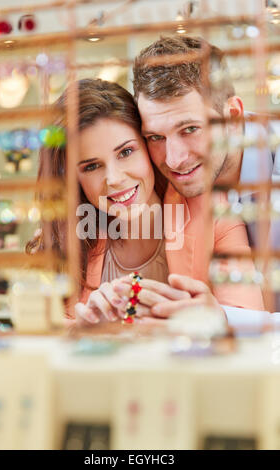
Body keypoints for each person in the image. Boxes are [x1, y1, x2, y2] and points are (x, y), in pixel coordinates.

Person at [27, 78, 262, 325]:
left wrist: (209, 322)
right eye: (92, 166)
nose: (115, 179)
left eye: (126, 152)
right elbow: (40, 334)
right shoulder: (64, 237)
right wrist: (82, 332)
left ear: (148, 145)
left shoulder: (214, 214)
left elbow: (248, 323)